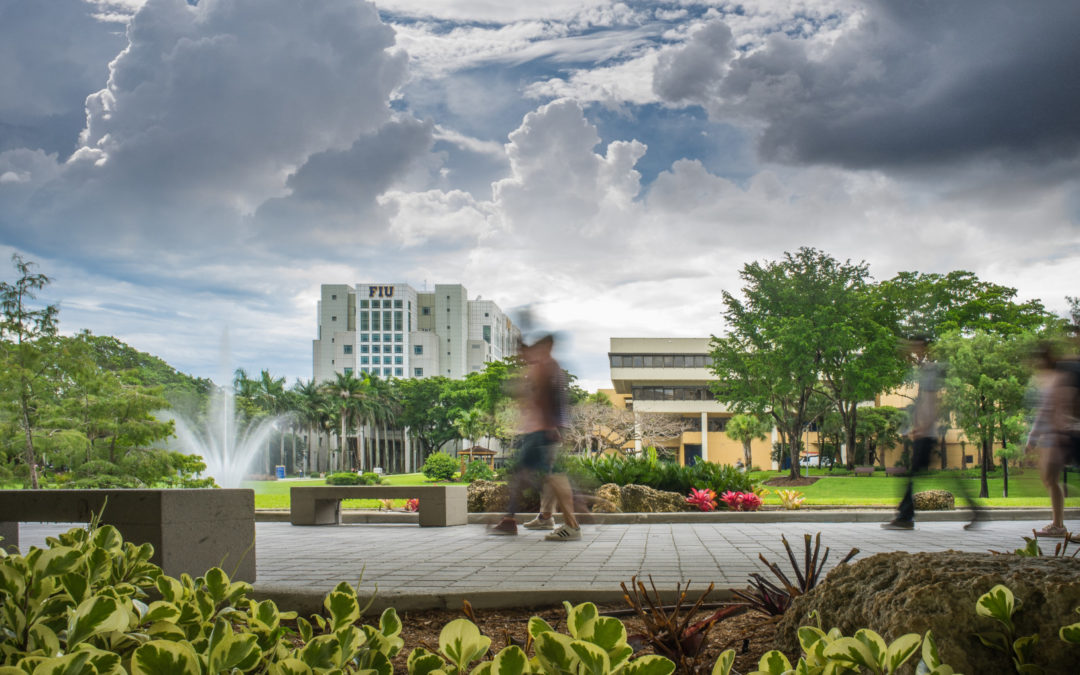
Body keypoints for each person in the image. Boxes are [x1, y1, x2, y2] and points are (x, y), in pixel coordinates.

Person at [489, 334, 581, 541]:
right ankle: (523, 518)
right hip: (538, 429)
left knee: (552, 476)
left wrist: (551, 426)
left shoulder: (547, 367)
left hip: (544, 429)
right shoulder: (539, 366)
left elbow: (550, 398)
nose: (522, 355)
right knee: (531, 475)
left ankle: (572, 524)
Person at [883, 336, 981, 530]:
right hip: (925, 432)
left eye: (913, 346)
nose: (910, 350)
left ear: (922, 347)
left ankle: (905, 517)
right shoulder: (924, 371)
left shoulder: (930, 370)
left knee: (913, 477)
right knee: (935, 476)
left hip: (927, 434)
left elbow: (933, 402)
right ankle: (975, 511)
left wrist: (923, 426)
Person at [1026, 342, 1077, 540]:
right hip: (1053, 434)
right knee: (1049, 479)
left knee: (1050, 478)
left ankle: (1058, 524)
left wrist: (1034, 437)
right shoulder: (1050, 378)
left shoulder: (1055, 379)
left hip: (1056, 434)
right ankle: (1058, 523)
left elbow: (1049, 410)